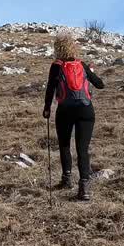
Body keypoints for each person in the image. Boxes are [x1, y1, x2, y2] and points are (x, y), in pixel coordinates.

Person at [43, 34, 105, 201]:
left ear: (58, 48)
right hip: (86, 110)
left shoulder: (56, 66)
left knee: (64, 145)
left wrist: (47, 108)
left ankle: (66, 179)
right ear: (74, 48)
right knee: (82, 149)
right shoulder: (82, 64)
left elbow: (50, 89)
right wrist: (90, 73)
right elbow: (100, 84)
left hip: (65, 110)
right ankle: (84, 187)